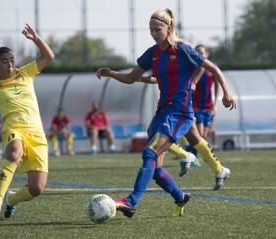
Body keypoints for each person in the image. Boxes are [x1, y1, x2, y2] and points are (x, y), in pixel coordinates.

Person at [97, 9, 236, 218]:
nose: (153, 33)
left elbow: (213, 68)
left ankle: (130, 202)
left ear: (169, 27)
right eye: (151, 29)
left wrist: (226, 93)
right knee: (155, 169)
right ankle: (180, 197)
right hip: (162, 113)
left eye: (157, 29)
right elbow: (131, 78)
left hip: (180, 113)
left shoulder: (182, 50)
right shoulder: (152, 53)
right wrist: (111, 73)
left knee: (149, 153)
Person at [0, 23, 54, 218]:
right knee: (14, 154)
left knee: (36, 188)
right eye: (4, 61)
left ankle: (11, 200)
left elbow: (49, 57)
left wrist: (36, 39)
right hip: (14, 128)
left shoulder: (25, 73)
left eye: (11, 60)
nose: (10, 64)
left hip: (37, 135)